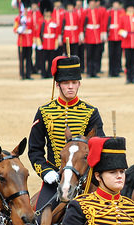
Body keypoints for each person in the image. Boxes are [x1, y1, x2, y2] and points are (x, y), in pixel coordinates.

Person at [28, 55, 104, 212]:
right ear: (58, 85)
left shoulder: (91, 112)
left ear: (79, 84)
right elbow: (35, 150)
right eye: (66, 83)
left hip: (84, 180)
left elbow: (99, 147)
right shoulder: (44, 112)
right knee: (41, 217)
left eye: (74, 83)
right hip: (54, 179)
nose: (70, 87)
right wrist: (46, 172)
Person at [119, 0, 134, 84]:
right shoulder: (123, 17)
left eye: (132, 8)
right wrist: (123, 33)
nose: (130, 9)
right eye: (129, 8)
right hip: (127, 42)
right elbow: (119, 29)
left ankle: (133, 77)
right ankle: (128, 77)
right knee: (128, 61)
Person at [14, 2, 36, 80]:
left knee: (29, 58)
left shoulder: (30, 18)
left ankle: (28, 74)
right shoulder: (18, 18)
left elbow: (33, 29)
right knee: (21, 59)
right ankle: (22, 74)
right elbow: (15, 29)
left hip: (29, 42)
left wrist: (33, 40)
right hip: (21, 42)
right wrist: (19, 30)